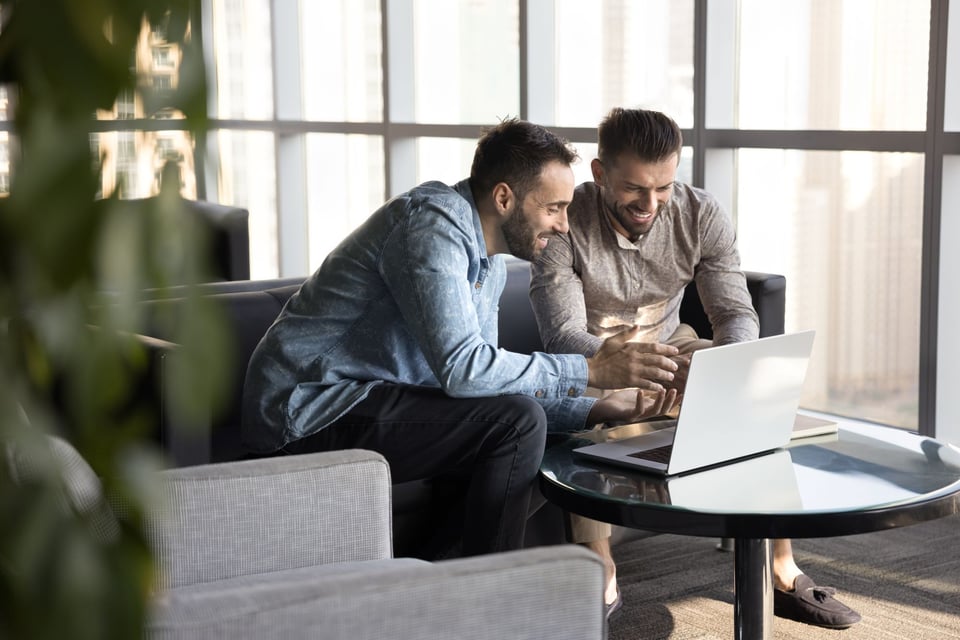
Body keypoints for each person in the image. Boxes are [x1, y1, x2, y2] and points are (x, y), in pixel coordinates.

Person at [241, 118, 681, 560]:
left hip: (378, 399)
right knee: (517, 424)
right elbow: (464, 369)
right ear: (504, 197)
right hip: (307, 409)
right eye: (554, 208)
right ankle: (485, 591)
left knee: (553, 431)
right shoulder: (431, 228)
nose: (565, 226)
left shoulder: (487, 259)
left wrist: (597, 407)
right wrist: (589, 369)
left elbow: (485, 381)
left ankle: (431, 576)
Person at [529, 107, 861, 629]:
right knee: (583, 409)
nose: (651, 203)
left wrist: (727, 369)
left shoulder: (701, 213)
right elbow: (562, 337)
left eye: (663, 186)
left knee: (753, 389)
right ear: (599, 173)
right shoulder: (565, 222)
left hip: (672, 346)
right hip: (598, 359)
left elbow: (734, 313)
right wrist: (625, 373)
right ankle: (599, 567)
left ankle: (779, 566)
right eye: (635, 188)